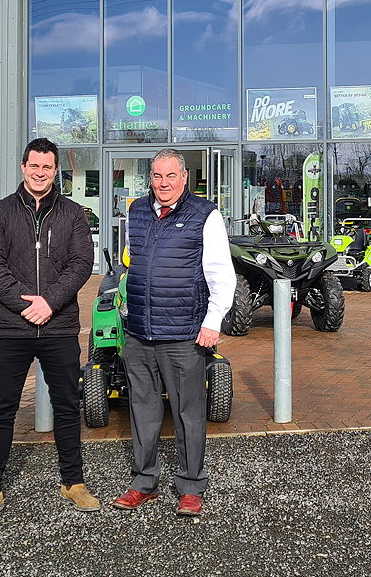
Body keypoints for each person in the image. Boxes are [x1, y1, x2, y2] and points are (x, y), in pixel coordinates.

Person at [0, 137, 99, 524]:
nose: (40, 173)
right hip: (12, 328)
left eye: (47, 167)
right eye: (34, 166)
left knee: (66, 405)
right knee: (2, 408)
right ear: (23, 166)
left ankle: (73, 482)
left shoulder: (74, 214)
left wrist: (50, 302)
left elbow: (81, 263)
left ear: (55, 170)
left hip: (58, 326)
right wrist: (27, 304)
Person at [111, 148, 234, 517]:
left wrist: (213, 321)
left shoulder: (205, 215)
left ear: (184, 178)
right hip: (140, 333)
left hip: (183, 334)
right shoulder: (136, 211)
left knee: (188, 413)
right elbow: (133, 262)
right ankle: (143, 481)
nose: (163, 184)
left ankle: (191, 485)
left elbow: (221, 273)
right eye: (157, 177)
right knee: (142, 410)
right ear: (150, 178)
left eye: (170, 176)